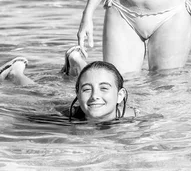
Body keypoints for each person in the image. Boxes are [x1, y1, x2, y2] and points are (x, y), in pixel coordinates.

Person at [0, 46, 129, 123]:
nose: (95, 95)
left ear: (120, 95)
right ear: (77, 94)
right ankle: (15, 73)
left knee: (94, 77)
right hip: (72, 108)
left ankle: (76, 61)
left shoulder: (132, 119)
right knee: (45, 94)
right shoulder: (64, 117)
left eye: (104, 88)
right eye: (86, 89)